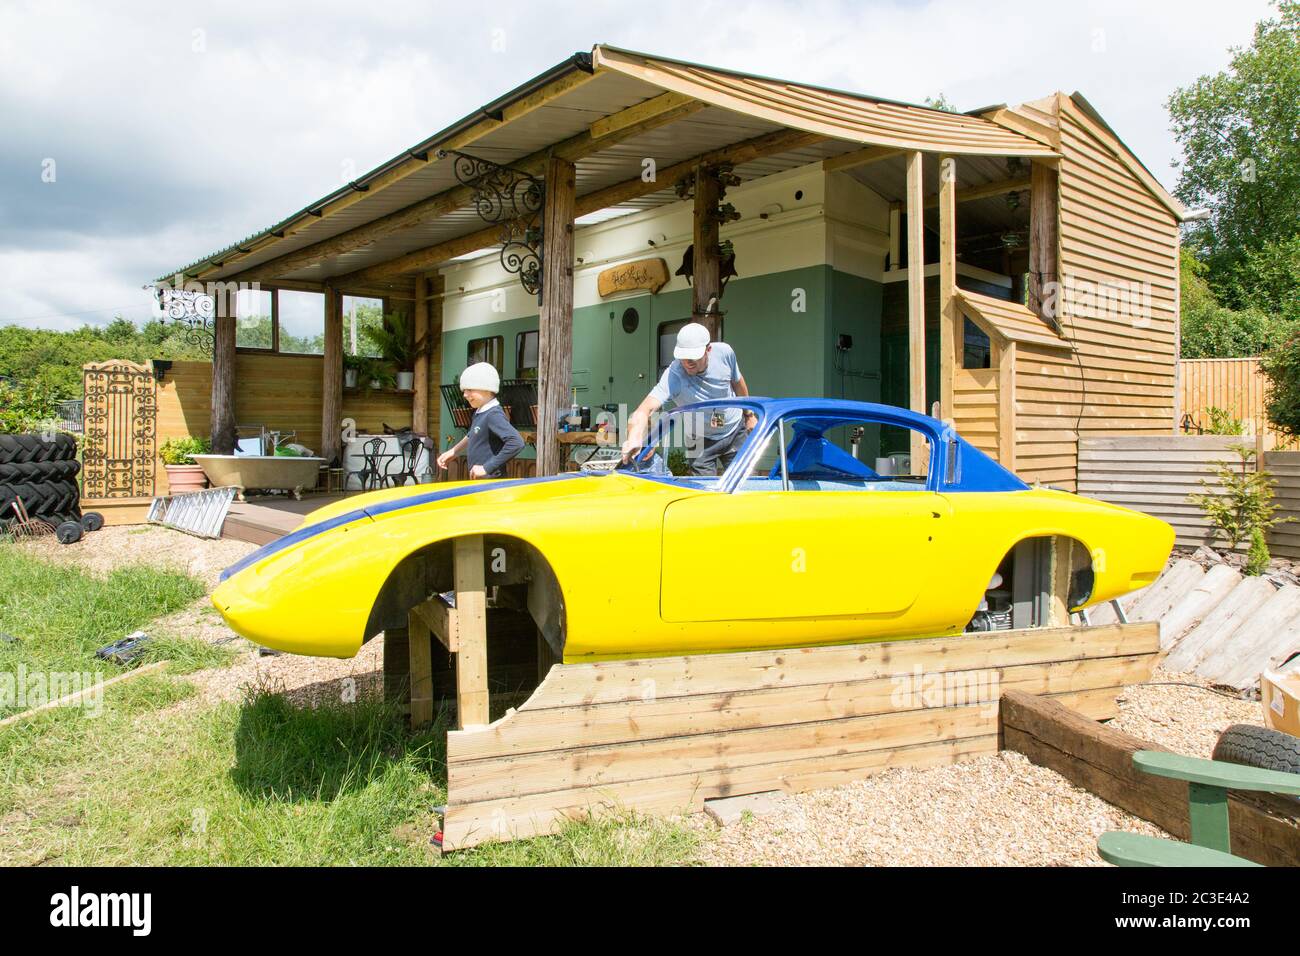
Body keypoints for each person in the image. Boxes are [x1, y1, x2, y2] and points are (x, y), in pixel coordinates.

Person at [620, 322, 756, 476]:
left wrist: (749, 415)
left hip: (734, 430)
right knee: (704, 496)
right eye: (683, 357)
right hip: (699, 440)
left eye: (693, 357)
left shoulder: (725, 353)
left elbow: (738, 383)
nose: (687, 362)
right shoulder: (674, 375)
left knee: (746, 486)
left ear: (708, 350)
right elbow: (645, 409)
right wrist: (634, 437)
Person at [437, 362, 524, 479]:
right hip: (481, 481)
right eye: (464, 390)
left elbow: (516, 442)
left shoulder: (493, 414)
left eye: (470, 389)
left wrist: (486, 468)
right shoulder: (481, 411)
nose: (465, 395)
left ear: (488, 389)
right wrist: (454, 451)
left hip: (491, 483)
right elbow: (472, 434)